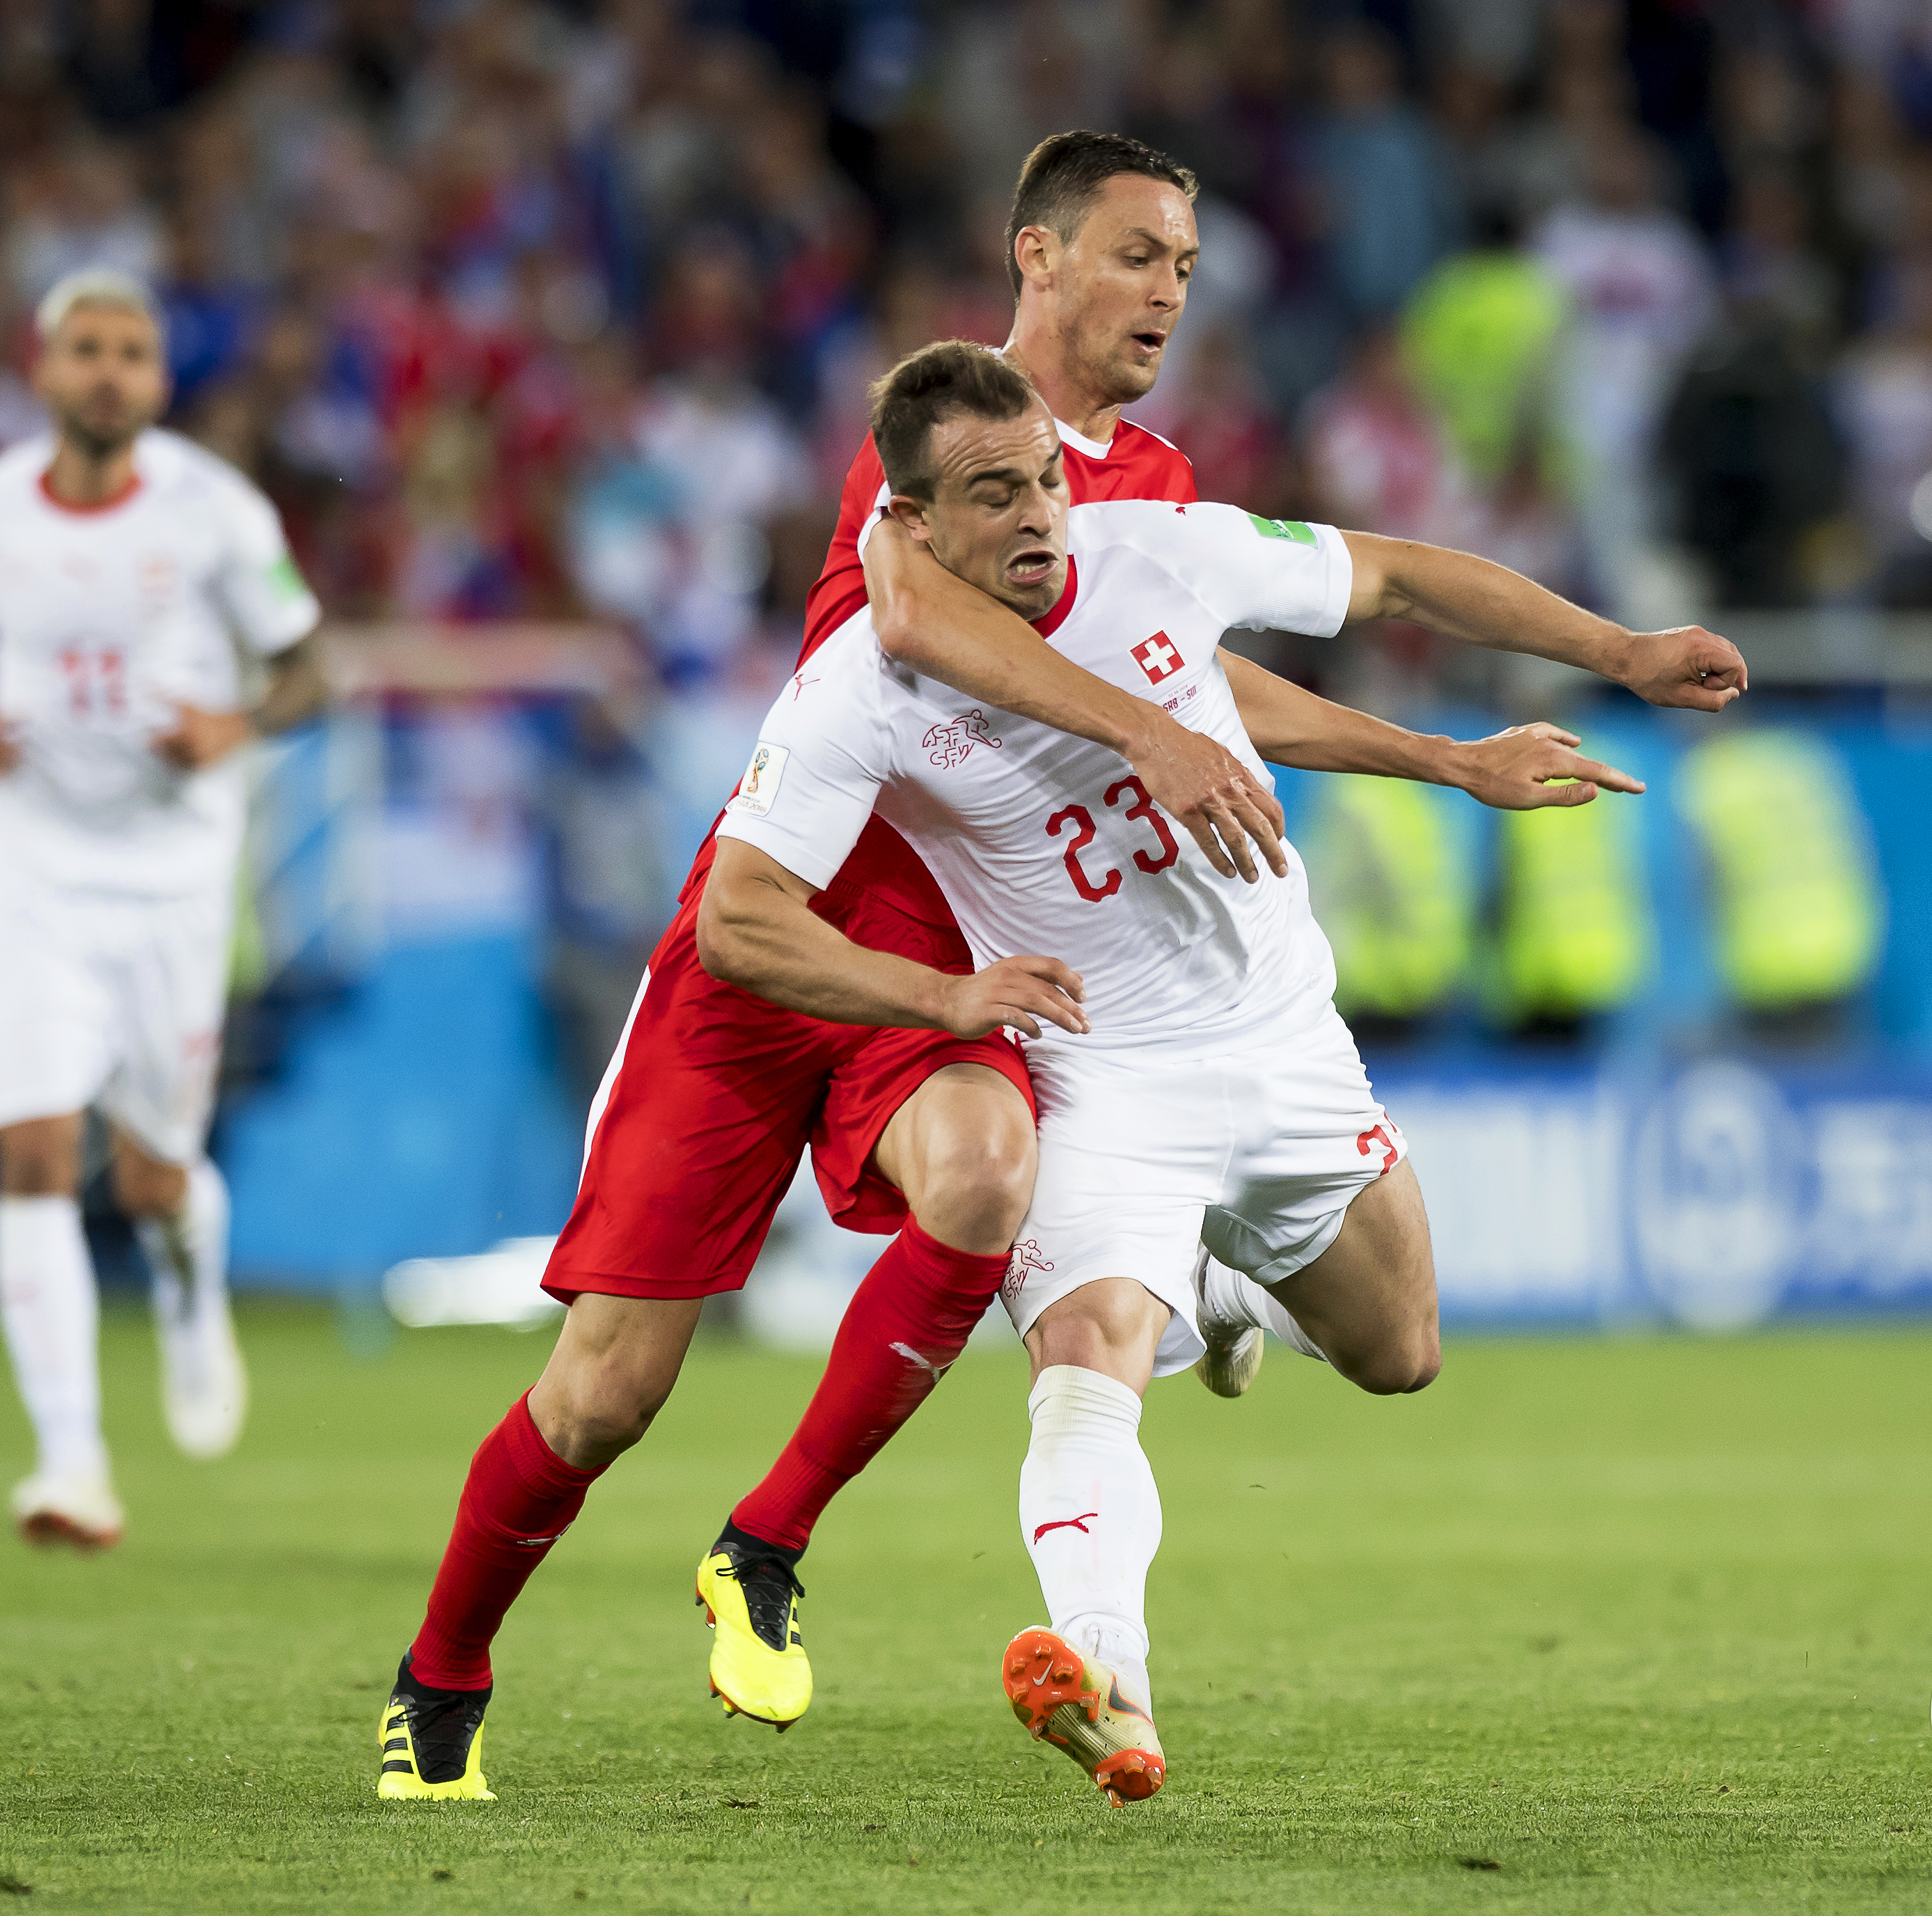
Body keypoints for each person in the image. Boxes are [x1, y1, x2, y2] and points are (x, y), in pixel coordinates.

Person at [373, 134, 1738, 1803]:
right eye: (1139, 253)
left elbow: (1227, 690)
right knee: (605, 1390)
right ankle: (441, 1676)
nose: (1171, 287)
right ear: (1036, 257)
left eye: (1187, 260)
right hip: (792, 935)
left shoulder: (1155, 502)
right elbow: (935, 637)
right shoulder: (935, 456)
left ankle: (772, 1540)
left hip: (984, 955)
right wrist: (1157, 730)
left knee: (1002, 1178)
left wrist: (1450, 749)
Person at [700, 340, 1745, 1806]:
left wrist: (1616, 657)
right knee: (1086, 1370)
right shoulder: (859, 692)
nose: (1038, 515)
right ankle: (1107, 1680)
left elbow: (1394, 576)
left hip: (1282, 1042)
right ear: (912, 528)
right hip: (1104, 1080)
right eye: (991, 494)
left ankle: (1234, 1284)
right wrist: (945, 993)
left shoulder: (1161, 555)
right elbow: (740, 915)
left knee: (1400, 1351)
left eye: (1046, 478)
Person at [0, 268, 327, 1550]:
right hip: (31, 863)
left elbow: (307, 669)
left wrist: (233, 723)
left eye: (131, 352)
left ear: (157, 379)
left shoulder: (215, 514)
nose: (107, 371)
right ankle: (70, 1466)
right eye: (85, 349)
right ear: (43, 369)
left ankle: (191, 1284)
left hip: (169, 881)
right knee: (33, 1151)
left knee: (152, 1177)